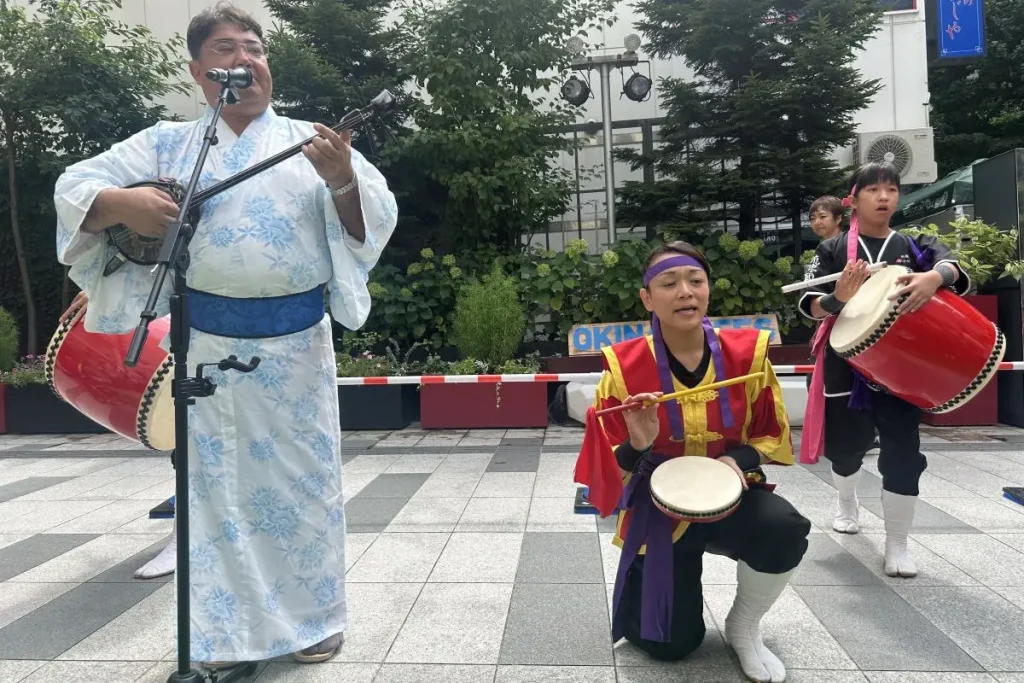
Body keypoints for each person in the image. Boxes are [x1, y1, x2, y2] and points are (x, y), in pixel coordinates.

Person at [53, 1, 398, 666]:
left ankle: (313, 621)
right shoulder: (164, 143)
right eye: (227, 49)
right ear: (199, 70)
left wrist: (343, 180)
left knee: (302, 487)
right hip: (206, 345)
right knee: (217, 494)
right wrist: (124, 203)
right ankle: (227, 631)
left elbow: (367, 227)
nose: (246, 59)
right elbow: (74, 186)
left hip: (295, 346)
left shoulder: (311, 140)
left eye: (255, 47)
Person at [574, 241, 810, 683]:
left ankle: (744, 627)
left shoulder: (749, 357)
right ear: (647, 298)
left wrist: (737, 459)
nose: (685, 291)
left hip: (732, 497)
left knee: (785, 528)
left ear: (707, 290)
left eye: (695, 281)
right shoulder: (623, 370)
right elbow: (604, 469)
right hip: (658, 512)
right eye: (669, 283)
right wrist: (639, 444)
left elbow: (772, 435)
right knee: (672, 647)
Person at [798, 161, 969, 578]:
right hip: (847, 366)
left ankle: (897, 543)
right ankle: (846, 502)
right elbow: (809, 307)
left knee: (903, 454)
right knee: (846, 450)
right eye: (873, 190)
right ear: (853, 200)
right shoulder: (832, 251)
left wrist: (934, 277)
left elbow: (952, 267)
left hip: (900, 369)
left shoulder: (912, 246)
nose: (884, 197)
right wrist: (838, 298)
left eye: (891, 189)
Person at [59, 292, 179, 581]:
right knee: (196, 439)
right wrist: (110, 288)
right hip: (210, 322)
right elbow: (154, 258)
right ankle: (186, 539)